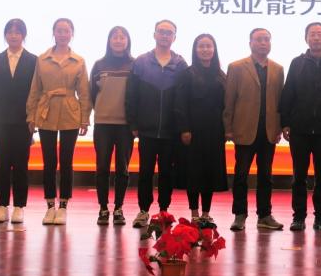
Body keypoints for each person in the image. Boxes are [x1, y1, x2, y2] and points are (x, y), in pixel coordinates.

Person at [279, 22, 321, 232]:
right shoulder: (297, 63)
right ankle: (298, 217)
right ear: (306, 38)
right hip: (299, 129)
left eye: (319, 34)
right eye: (312, 34)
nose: (316, 38)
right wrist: (285, 122)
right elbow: (288, 92)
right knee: (299, 176)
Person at [26, 18, 91, 225]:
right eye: (59, 30)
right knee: (49, 161)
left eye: (66, 31)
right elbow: (35, 89)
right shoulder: (42, 59)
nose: (63, 34)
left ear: (72, 34)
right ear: (53, 33)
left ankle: (63, 205)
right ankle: (49, 206)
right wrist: (31, 115)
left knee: (66, 160)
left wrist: (85, 119)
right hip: (46, 111)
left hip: (70, 112)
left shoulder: (79, 61)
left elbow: (84, 93)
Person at [125, 19, 187, 228]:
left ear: (174, 37)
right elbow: (131, 95)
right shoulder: (141, 62)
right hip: (146, 130)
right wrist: (133, 123)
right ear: (154, 35)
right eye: (161, 31)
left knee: (166, 173)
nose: (165, 36)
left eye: (169, 33)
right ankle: (143, 210)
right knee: (145, 172)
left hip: (171, 131)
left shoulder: (180, 64)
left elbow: (183, 99)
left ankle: (163, 211)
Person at [223, 28, 285, 232]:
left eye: (267, 39)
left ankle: (265, 215)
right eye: (259, 39)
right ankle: (239, 215)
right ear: (250, 43)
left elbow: (280, 102)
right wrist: (228, 127)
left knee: (266, 176)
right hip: (244, 129)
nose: (263, 43)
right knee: (241, 175)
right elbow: (229, 100)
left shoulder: (278, 69)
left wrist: (279, 127)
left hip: (268, 130)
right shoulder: (236, 67)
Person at [174, 34, 229, 229]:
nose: (205, 50)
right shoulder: (187, 74)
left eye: (209, 46)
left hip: (215, 132)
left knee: (209, 173)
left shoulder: (221, 75)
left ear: (214, 50)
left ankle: (206, 213)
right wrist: (184, 129)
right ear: (195, 50)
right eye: (201, 46)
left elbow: (227, 106)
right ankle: (194, 213)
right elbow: (180, 104)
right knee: (193, 173)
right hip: (192, 132)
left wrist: (227, 129)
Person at [0, 18, 37, 224]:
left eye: (17, 32)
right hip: (0, 118)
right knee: (3, 163)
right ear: (5, 35)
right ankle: (2, 205)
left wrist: (32, 117)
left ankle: (19, 206)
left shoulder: (33, 60)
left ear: (24, 35)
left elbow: (35, 90)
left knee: (21, 163)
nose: (13, 35)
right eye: (10, 32)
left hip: (24, 120)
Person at [89, 26, 135, 226]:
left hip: (125, 125)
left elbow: (137, 95)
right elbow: (92, 93)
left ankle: (118, 208)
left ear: (127, 41)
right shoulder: (99, 65)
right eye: (114, 37)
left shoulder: (135, 65)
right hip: (103, 124)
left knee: (122, 168)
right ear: (109, 41)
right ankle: (103, 208)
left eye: (122, 37)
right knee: (102, 167)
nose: (118, 40)